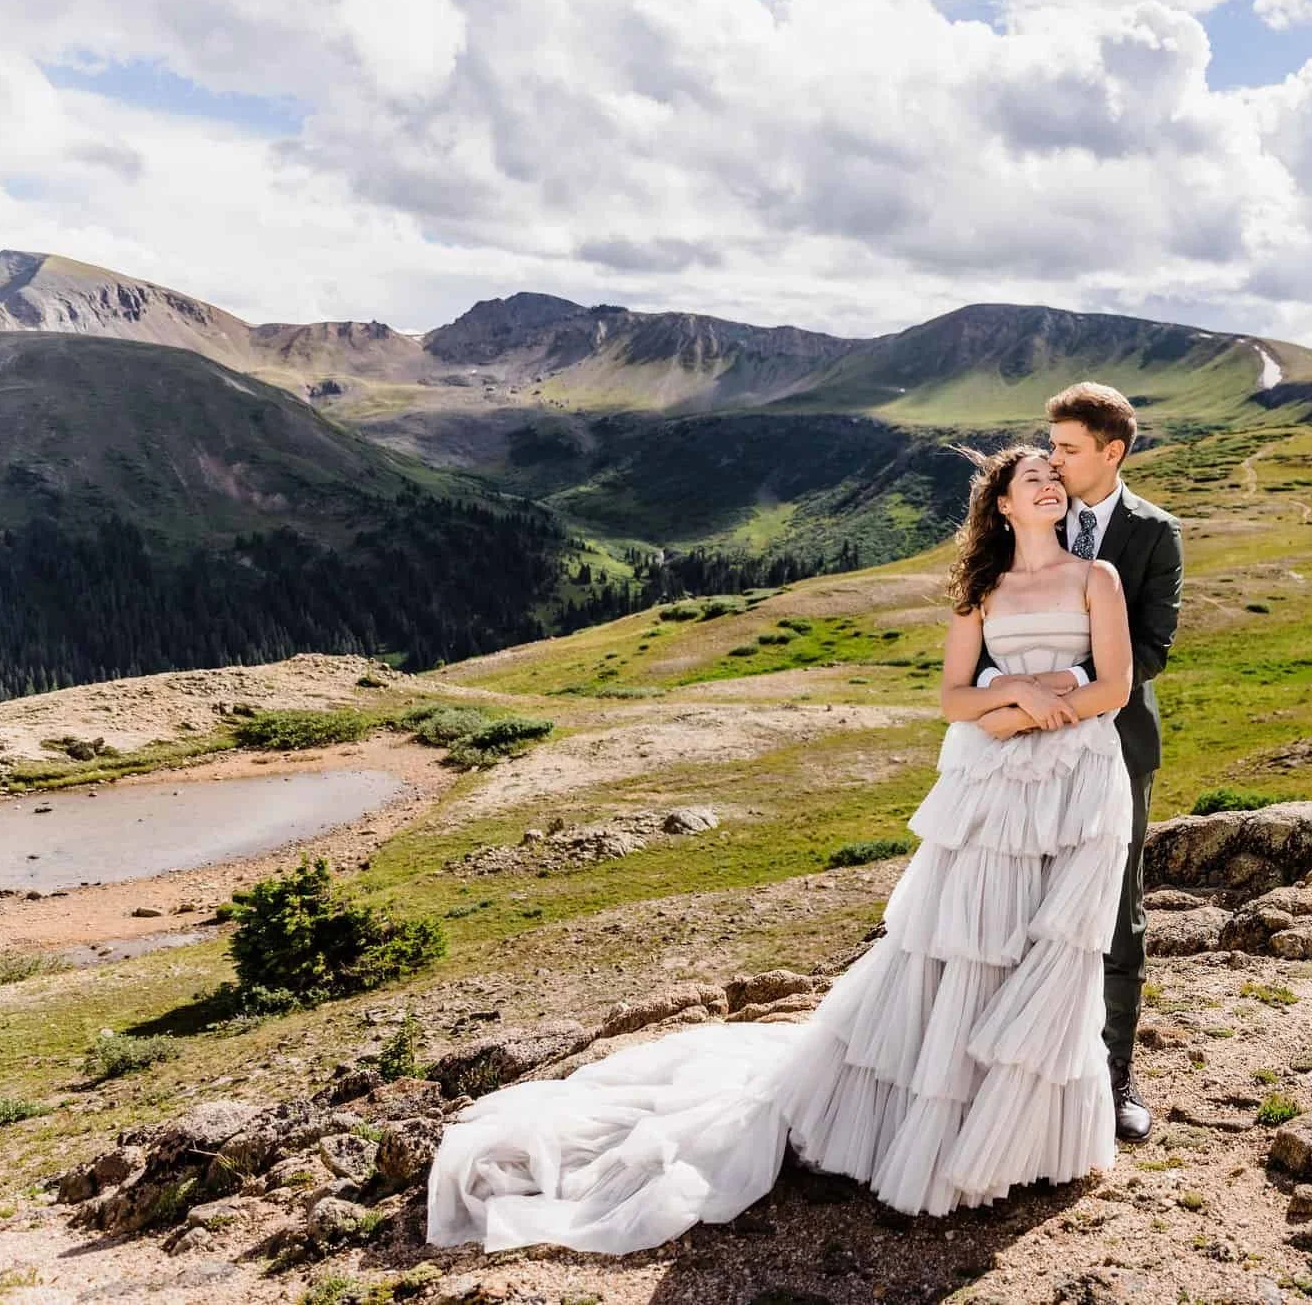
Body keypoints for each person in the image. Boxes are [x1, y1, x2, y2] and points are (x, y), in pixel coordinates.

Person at [428, 443, 1141, 1255]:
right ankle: (953, 1128)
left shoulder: (1097, 579)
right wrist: (1012, 695)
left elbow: (1114, 686)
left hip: (1082, 776)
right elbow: (952, 698)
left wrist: (1044, 710)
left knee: (1056, 951)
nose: (1051, 485)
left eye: (1056, 476)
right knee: (975, 942)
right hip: (996, 782)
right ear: (1004, 506)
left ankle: (1035, 1139)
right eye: (1033, 480)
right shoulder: (981, 591)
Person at [976, 382, 1182, 1141]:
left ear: (1111, 452)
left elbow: (1152, 651)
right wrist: (1008, 690)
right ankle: (1008, 1072)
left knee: (1113, 911)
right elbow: (985, 621)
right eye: (1050, 448)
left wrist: (1055, 683)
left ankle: (1111, 1080)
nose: (1053, 463)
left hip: (1113, 744)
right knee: (1014, 903)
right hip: (1017, 745)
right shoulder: (1028, 518)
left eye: (1066, 450)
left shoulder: (1156, 534)